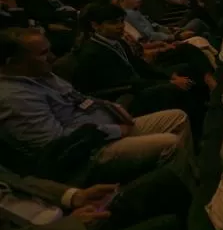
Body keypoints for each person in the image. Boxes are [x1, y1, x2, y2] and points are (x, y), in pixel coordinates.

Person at [0, 28, 194, 185]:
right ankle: (182, 196)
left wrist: (112, 107)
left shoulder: (42, 74)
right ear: (13, 62)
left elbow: (79, 98)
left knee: (177, 117)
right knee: (170, 143)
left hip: (106, 126)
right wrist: (115, 130)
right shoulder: (14, 98)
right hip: (88, 154)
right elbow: (57, 143)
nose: (52, 57)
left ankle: (187, 176)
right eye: (43, 53)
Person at [72, 3, 205, 118]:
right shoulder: (93, 53)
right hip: (123, 96)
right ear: (96, 26)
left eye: (121, 21)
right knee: (174, 89)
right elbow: (127, 82)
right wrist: (169, 82)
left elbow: (140, 65)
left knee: (187, 69)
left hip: (136, 83)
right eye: (113, 23)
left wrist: (169, 76)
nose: (120, 26)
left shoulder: (118, 42)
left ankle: (209, 110)